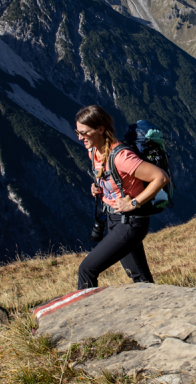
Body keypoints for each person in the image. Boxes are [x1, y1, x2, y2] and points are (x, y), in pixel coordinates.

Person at [75, 105, 169, 289]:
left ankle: (86, 316)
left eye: (84, 133)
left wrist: (134, 203)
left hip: (131, 222)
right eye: (77, 132)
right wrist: (98, 187)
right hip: (114, 219)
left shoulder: (122, 157)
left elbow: (161, 178)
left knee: (87, 269)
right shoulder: (94, 151)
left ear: (101, 130)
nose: (80, 137)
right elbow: (115, 180)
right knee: (140, 278)